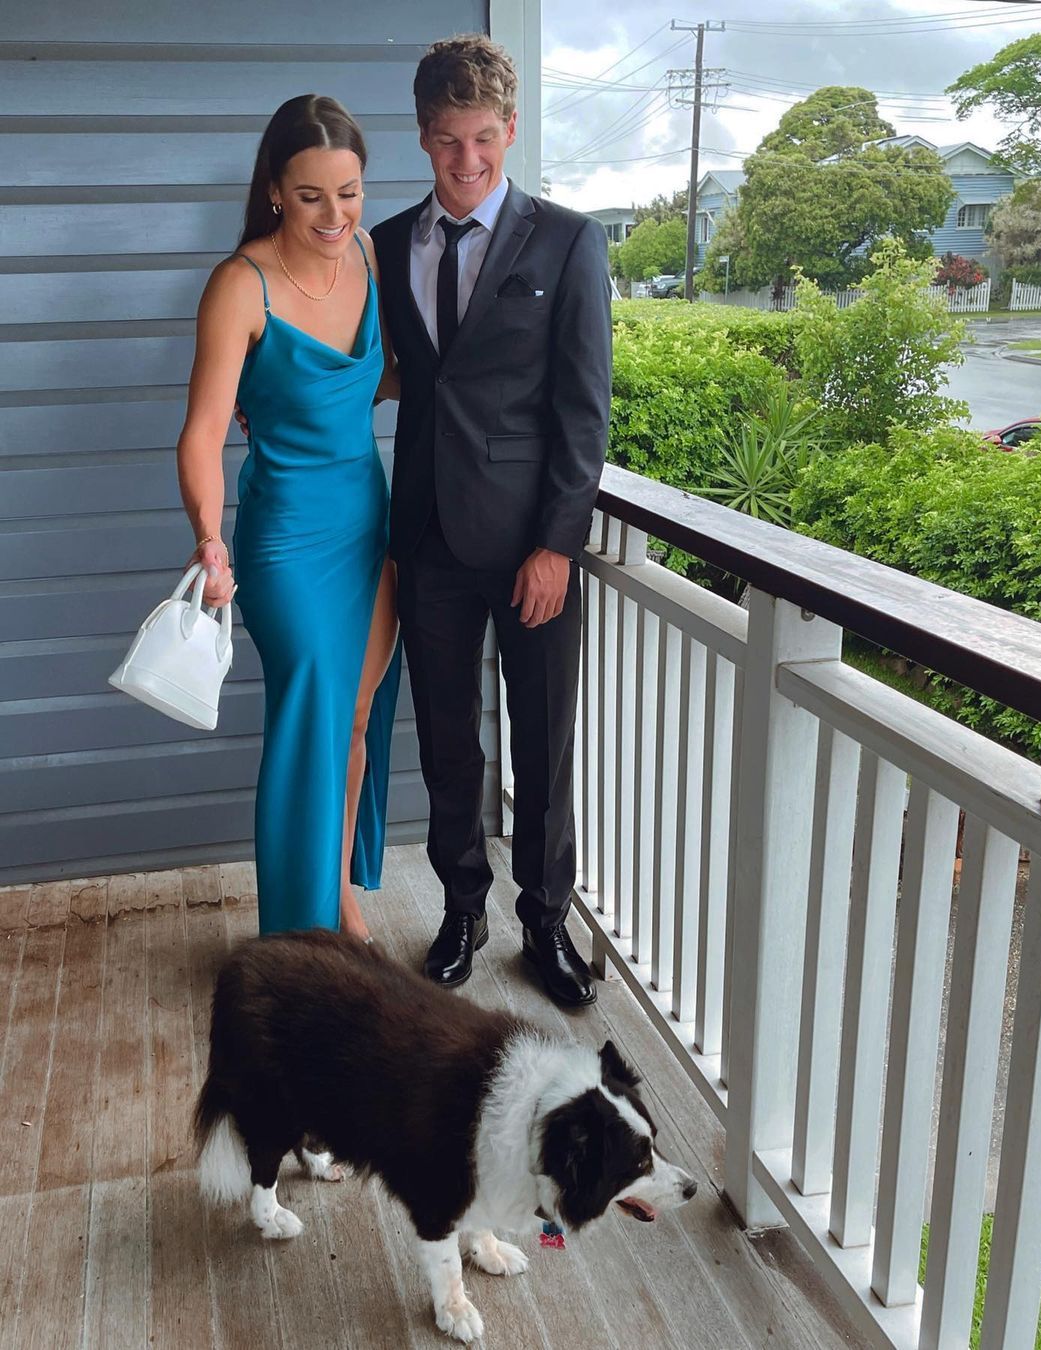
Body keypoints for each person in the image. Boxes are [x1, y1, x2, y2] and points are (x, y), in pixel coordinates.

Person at [370, 36, 611, 1006]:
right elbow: (388, 371)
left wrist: (557, 544)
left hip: (527, 546)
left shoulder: (567, 241)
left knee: (542, 740)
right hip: (428, 539)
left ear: (509, 130)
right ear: (422, 136)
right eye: (445, 140)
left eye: (481, 139)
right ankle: (462, 909)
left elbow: (584, 410)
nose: (464, 160)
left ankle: (544, 922)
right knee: (445, 740)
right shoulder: (388, 243)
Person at [177, 94, 401, 940]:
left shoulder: (369, 257)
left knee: (356, 716)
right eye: (311, 196)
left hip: (369, 524)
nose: (335, 214)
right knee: (310, 717)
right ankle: (298, 946)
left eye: (349, 192)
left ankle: (336, 899)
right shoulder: (241, 285)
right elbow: (202, 432)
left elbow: (377, 379)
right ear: (275, 190)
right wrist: (209, 536)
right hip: (286, 542)